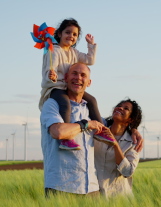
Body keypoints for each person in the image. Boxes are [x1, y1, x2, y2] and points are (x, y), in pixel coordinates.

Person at [38, 18, 114, 151]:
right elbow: (51, 69)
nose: (71, 36)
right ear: (59, 33)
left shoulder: (74, 52)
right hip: (55, 87)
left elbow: (90, 60)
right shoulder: (54, 50)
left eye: (74, 35)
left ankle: (102, 130)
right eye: (67, 32)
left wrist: (91, 45)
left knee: (92, 100)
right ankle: (66, 139)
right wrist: (52, 75)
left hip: (69, 87)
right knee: (65, 103)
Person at [40, 63, 107, 197]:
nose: (78, 78)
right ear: (65, 77)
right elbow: (58, 132)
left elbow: (112, 128)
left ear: (89, 82)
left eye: (83, 75)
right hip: (62, 187)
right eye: (74, 73)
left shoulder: (91, 111)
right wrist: (85, 125)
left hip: (92, 189)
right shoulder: (52, 104)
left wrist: (133, 129)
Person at [94, 99, 143, 197]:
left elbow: (127, 172)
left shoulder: (133, 143)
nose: (120, 108)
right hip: (95, 195)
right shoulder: (97, 129)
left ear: (130, 119)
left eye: (126, 108)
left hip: (118, 197)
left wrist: (115, 145)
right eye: (119, 105)